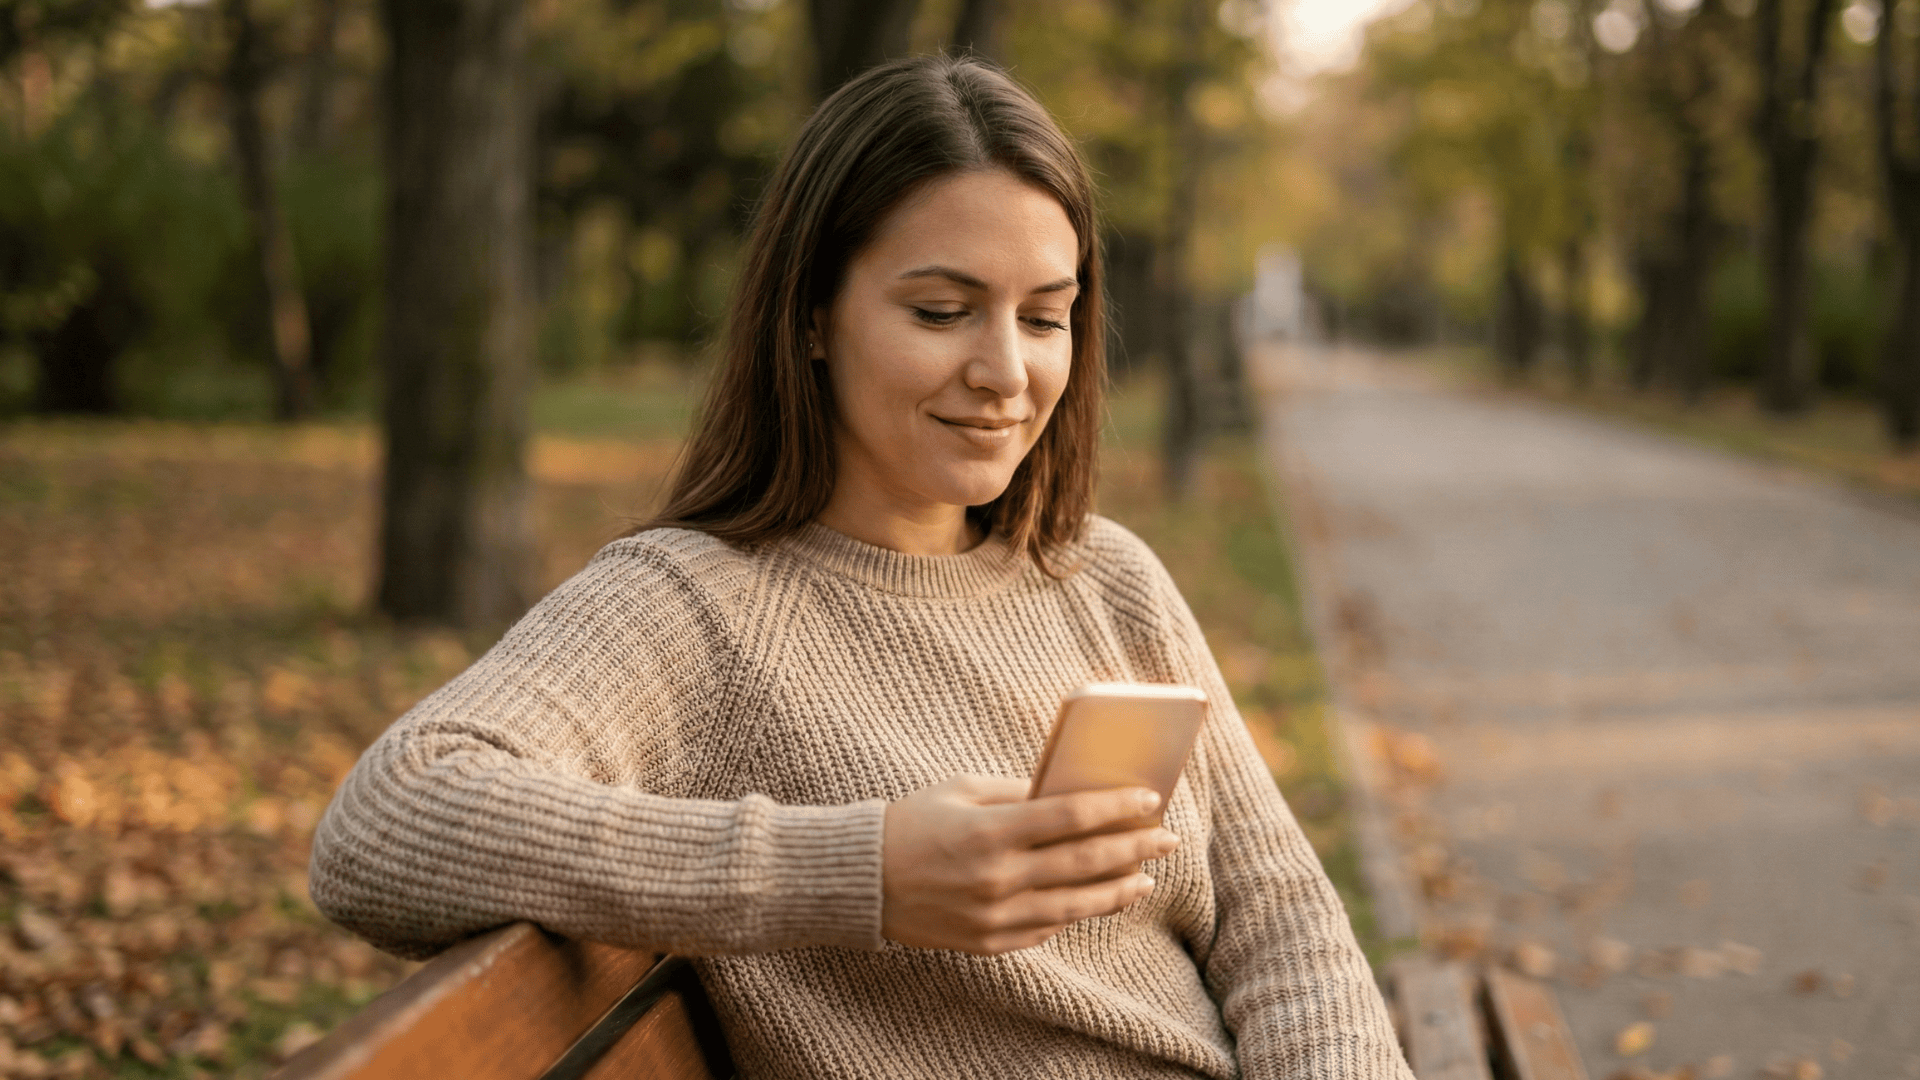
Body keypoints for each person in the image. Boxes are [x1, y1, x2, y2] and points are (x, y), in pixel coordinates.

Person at [310, 54, 1412, 1080]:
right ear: (812, 319)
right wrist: (867, 871)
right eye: (942, 312)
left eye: (1046, 318)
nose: (1006, 373)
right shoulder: (693, 607)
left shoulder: (1105, 577)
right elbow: (387, 822)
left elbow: (1284, 926)